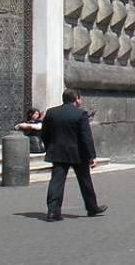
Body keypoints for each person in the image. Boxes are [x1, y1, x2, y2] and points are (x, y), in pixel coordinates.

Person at [40, 90, 107, 222]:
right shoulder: (80, 114)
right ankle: (92, 208)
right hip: (78, 154)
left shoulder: (51, 112)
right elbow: (86, 137)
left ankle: (53, 211)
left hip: (58, 152)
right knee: (85, 181)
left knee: (56, 182)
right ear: (76, 99)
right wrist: (91, 156)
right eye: (79, 99)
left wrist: (50, 147)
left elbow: (45, 133)